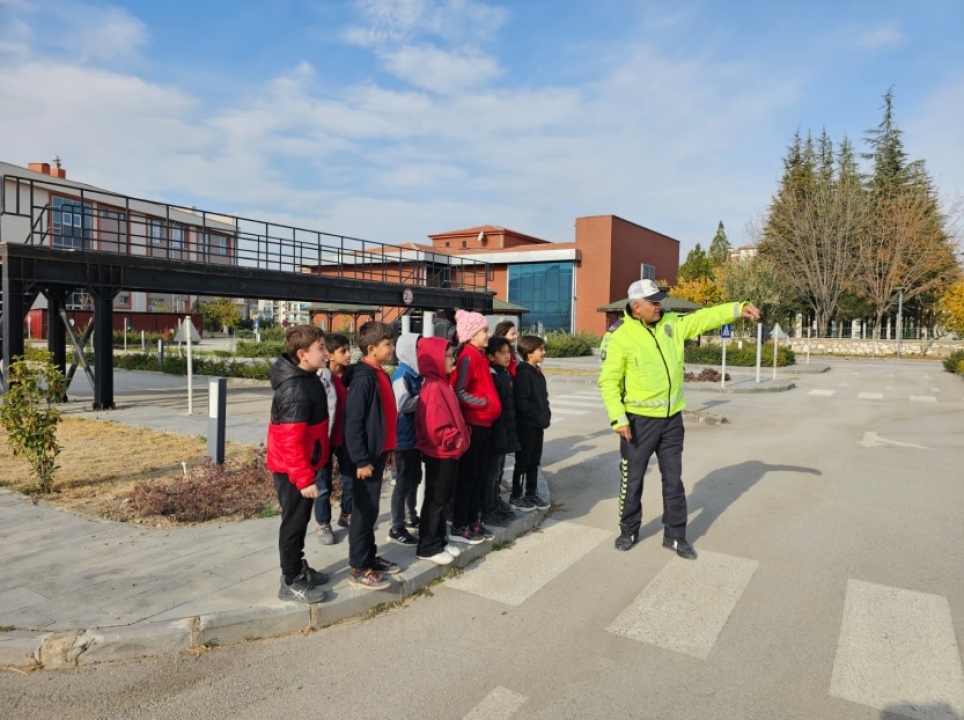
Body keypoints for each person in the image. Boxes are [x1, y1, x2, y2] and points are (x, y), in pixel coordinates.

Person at [598, 279, 761, 557]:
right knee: (632, 479)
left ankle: (675, 536)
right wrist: (619, 419)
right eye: (653, 302)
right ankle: (629, 529)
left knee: (673, 481)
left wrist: (737, 308)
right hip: (638, 422)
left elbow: (703, 318)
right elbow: (609, 381)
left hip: (672, 420)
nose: (659, 306)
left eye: (660, 300)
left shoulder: (671, 323)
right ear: (637, 307)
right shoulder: (619, 336)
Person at [266, 324, 331, 603]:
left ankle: (297, 566)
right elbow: (290, 440)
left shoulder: (306, 377)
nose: (327, 354)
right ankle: (291, 580)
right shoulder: (294, 389)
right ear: (303, 354)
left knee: (300, 520)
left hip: (302, 464)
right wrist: (304, 478)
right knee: (293, 524)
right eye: (322, 349)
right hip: (292, 470)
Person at [343, 321, 402, 590]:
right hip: (365, 458)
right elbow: (353, 422)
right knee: (363, 511)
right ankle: (358, 565)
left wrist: (387, 450)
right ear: (371, 348)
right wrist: (361, 460)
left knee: (372, 509)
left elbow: (384, 418)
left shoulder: (382, 374)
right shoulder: (363, 377)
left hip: (379, 453)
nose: (391, 348)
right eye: (387, 344)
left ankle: (369, 556)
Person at [414, 337, 470, 565]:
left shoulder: (442, 384)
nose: (452, 359)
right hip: (440, 453)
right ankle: (427, 546)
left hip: (448, 453)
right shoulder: (433, 388)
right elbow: (435, 427)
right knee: (435, 500)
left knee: (443, 498)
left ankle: (440, 540)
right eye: (447, 355)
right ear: (436, 360)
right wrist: (455, 439)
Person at [449, 310, 501, 545]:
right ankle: (461, 523)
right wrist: (485, 403)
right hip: (474, 424)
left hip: (485, 424)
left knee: (478, 476)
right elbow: (460, 391)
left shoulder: (479, 355)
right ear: (471, 335)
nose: (487, 334)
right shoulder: (468, 356)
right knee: (468, 477)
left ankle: (473, 520)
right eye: (484, 331)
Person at [313, 333, 352, 545]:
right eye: (343, 351)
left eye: (348, 350)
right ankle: (323, 523)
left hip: (346, 438)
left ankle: (347, 514)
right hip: (325, 439)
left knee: (351, 480)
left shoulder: (352, 376)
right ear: (330, 355)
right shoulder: (321, 378)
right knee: (323, 484)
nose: (348, 355)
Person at [388, 333, 422, 546]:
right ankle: (396, 526)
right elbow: (402, 404)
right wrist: (425, 397)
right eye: (417, 350)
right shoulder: (402, 375)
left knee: (414, 479)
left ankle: (412, 516)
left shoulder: (417, 375)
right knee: (402, 483)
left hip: (414, 437)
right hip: (402, 439)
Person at [510, 335, 551, 512]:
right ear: (528, 353)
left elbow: (544, 398)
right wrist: (536, 416)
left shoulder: (538, 373)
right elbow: (522, 402)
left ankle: (531, 493)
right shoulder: (523, 373)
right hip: (526, 426)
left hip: (538, 426)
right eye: (540, 349)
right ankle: (516, 495)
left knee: (534, 461)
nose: (543, 352)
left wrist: (546, 415)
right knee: (523, 462)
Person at [483, 335, 518, 527]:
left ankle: (494, 502)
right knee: (491, 472)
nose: (507, 356)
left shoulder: (504, 374)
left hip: (506, 429)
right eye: (502, 353)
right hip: (496, 431)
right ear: (490, 356)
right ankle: (488, 508)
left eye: (508, 352)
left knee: (497, 471)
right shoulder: (492, 376)